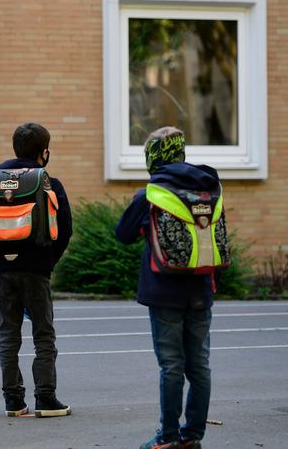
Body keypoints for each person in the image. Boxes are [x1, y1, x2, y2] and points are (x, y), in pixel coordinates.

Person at [115, 127, 216, 449]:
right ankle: (192, 436)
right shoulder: (209, 188)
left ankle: (168, 437)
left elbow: (123, 234)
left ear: (152, 158)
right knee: (199, 365)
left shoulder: (151, 194)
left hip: (165, 290)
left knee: (171, 366)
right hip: (201, 288)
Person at [0, 123, 73, 417]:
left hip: (3, 270)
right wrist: (48, 262)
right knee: (43, 335)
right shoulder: (49, 183)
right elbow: (65, 230)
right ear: (44, 152)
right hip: (36, 270)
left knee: (8, 336)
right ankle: (45, 398)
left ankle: (13, 401)